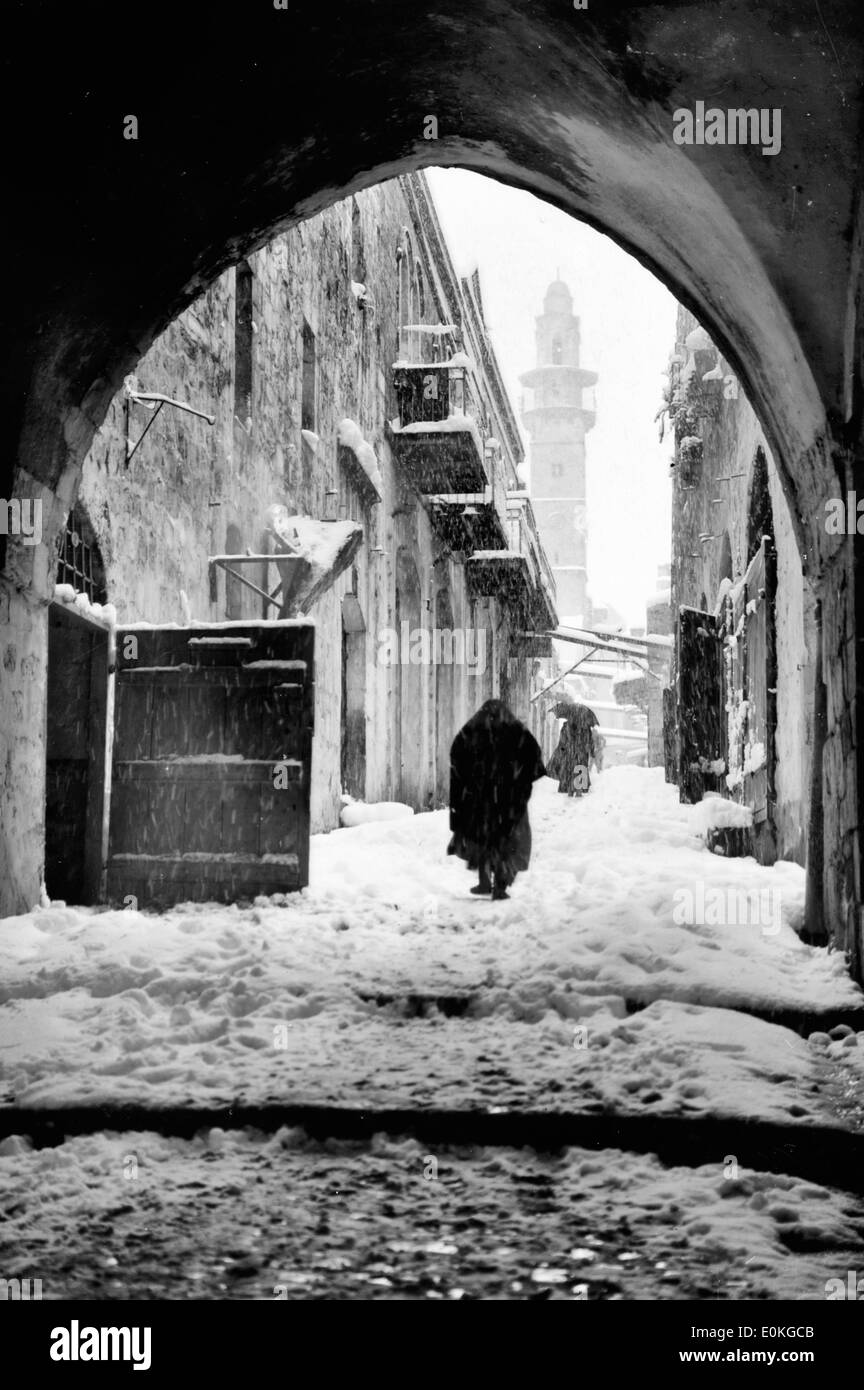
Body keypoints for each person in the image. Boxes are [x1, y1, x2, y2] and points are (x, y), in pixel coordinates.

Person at [447, 698, 546, 900]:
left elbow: (456, 756)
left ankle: (484, 882)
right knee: (507, 842)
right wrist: (519, 781)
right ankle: (500, 885)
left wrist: (470, 782)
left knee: (483, 840)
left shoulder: (472, 729)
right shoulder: (515, 730)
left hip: (480, 800)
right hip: (508, 799)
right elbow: (533, 755)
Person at [547, 700, 601, 796]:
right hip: (582, 754)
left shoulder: (566, 727)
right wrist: (591, 752)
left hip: (570, 754)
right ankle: (579, 790)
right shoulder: (585, 729)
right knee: (580, 769)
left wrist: (561, 751)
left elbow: (562, 743)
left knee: (570, 770)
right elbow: (590, 741)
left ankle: (570, 790)